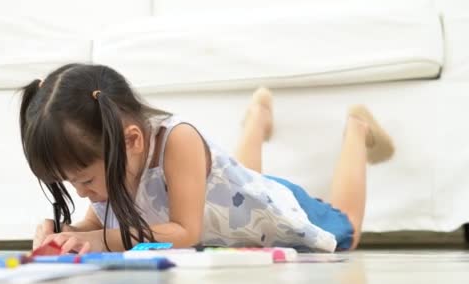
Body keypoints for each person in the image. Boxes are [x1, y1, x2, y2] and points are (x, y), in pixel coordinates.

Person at [20, 63, 394, 254]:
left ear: (131, 141)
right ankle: (257, 121)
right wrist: (66, 234)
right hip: (230, 210)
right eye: (72, 183)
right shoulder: (111, 163)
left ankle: (357, 130)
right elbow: (98, 222)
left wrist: (101, 241)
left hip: (268, 210)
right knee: (240, 176)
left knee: (347, 231)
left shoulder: (178, 140)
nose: (82, 192)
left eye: (85, 180)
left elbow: (186, 232)